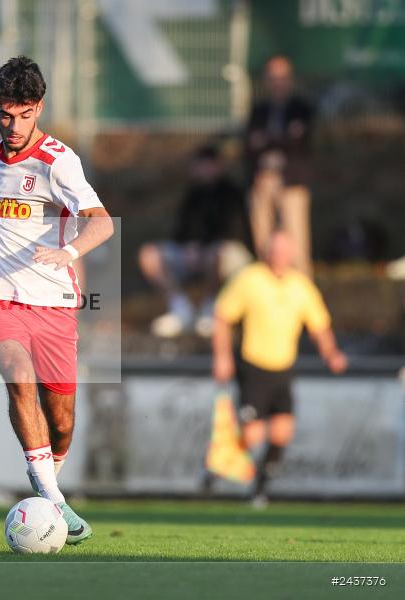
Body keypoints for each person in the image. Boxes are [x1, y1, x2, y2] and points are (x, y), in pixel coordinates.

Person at [0, 57, 114, 544]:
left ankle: (49, 480)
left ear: (39, 109)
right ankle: (51, 499)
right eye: (6, 114)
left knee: (63, 423)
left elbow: (102, 221)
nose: (14, 126)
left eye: (25, 114)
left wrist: (68, 251)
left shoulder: (59, 160)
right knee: (19, 375)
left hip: (53, 302)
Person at [212, 230, 347, 507]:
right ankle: (215, 465)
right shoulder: (249, 279)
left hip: (283, 367)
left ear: (293, 253)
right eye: (275, 249)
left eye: (285, 250)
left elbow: (319, 325)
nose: (280, 255)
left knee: (282, 432)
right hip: (253, 366)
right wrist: (222, 357)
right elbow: (222, 317)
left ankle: (259, 490)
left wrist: (331, 354)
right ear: (266, 251)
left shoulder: (300, 285)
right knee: (252, 435)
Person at [139, 145, 251, 338]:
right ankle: (181, 310)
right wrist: (189, 246)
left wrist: (202, 246)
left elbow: (233, 230)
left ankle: (212, 311)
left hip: (227, 254)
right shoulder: (192, 194)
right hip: (195, 254)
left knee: (216, 253)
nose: (202, 170)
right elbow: (181, 231)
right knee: (149, 254)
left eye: (207, 165)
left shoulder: (232, 193)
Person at [245, 55, 315, 276]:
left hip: (292, 180)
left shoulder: (301, 108)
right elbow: (249, 144)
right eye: (273, 77)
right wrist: (282, 137)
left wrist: (268, 139)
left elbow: (299, 142)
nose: (278, 82)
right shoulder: (259, 111)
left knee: (296, 243)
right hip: (263, 179)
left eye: (282, 77)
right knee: (264, 244)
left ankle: (302, 299)